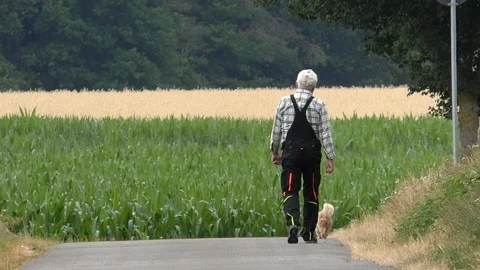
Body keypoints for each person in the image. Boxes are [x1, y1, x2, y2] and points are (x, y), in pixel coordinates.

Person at [269, 69, 336, 244]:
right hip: (312, 154)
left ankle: (292, 226)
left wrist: (275, 151)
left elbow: (276, 130)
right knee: (311, 192)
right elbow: (325, 133)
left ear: (296, 84)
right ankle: (308, 232)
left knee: (290, 189)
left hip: (290, 153)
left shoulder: (283, 102)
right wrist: (330, 157)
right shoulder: (319, 105)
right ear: (314, 88)